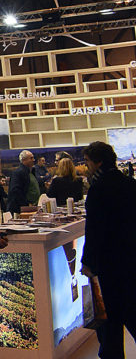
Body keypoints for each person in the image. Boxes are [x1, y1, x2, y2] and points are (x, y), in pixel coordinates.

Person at [81, 141, 136, 358]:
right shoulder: (131, 184)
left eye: (87, 161)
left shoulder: (98, 189)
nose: (86, 166)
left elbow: (94, 229)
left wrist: (88, 261)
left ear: (98, 162)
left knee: (110, 316)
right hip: (131, 258)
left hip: (109, 262)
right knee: (131, 308)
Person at [7, 150, 40, 214]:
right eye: (31, 158)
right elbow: (15, 191)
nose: (33, 160)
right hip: (21, 209)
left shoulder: (31, 172)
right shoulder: (18, 173)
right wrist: (26, 204)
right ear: (24, 160)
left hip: (32, 207)